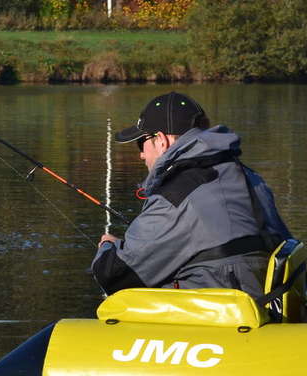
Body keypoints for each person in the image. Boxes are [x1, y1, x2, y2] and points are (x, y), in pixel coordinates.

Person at [90, 92, 292, 295]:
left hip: (223, 316)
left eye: (141, 142)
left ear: (161, 141)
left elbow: (113, 275)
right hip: (269, 303)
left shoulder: (174, 196)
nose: (141, 154)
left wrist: (108, 246)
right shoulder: (249, 176)